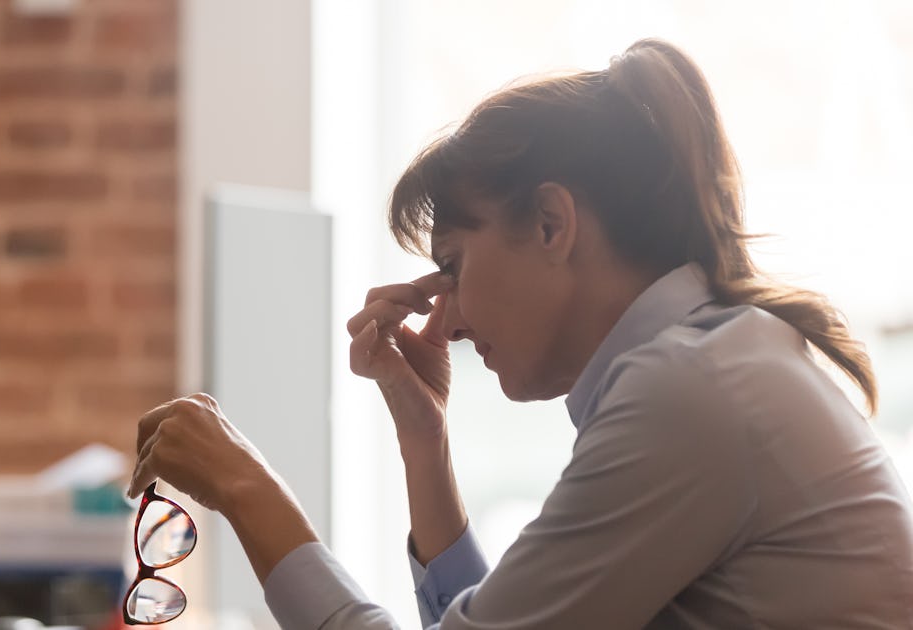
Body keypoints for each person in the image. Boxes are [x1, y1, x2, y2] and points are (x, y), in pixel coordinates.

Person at [126, 38, 913, 628]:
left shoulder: (691, 395)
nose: (450, 317)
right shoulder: (712, 361)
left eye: (455, 266)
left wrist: (248, 490)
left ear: (550, 224)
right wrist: (423, 442)